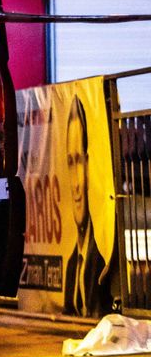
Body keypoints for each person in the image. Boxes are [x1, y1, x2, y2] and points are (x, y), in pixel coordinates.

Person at [63, 96, 106, 317]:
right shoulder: (71, 264)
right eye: (70, 162)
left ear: (88, 167)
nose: (77, 184)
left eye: (79, 160)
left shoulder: (102, 256)